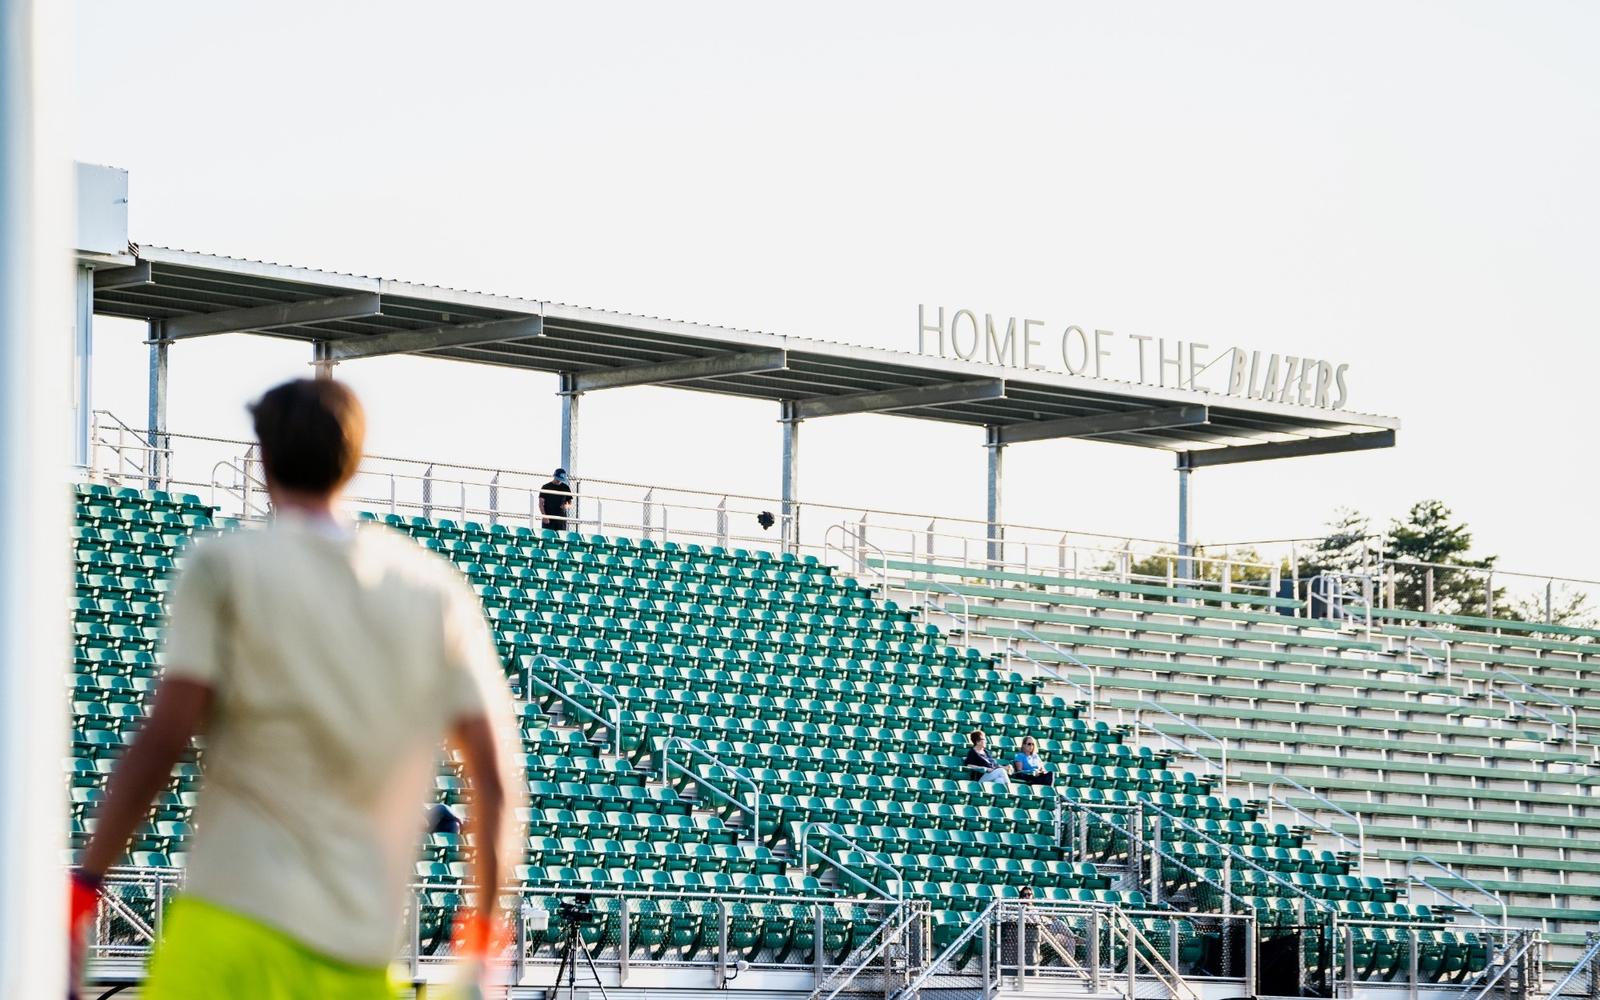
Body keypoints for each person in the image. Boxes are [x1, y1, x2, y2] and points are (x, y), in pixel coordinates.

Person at [69, 379, 522, 1000]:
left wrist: (86, 884)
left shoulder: (225, 566)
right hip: (356, 954)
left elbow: (166, 737)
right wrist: (482, 941)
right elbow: (493, 778)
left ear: (263, 460)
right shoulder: (434, 591)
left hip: (228, 927)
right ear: (355, 462)